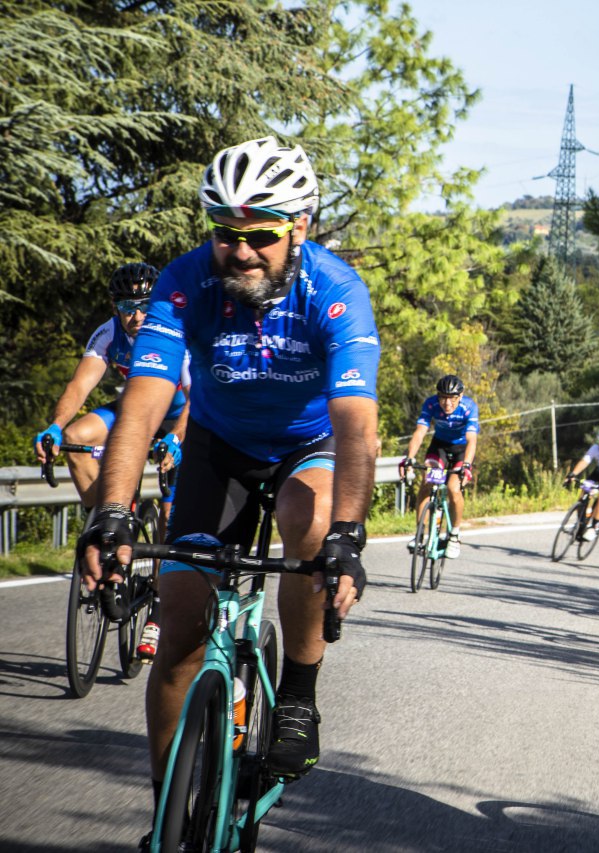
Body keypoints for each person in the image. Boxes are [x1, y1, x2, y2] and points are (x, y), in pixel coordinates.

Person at [77, 136, 380, 839]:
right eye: (226, 234)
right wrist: (113, 513)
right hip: (219, 446)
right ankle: (168, 814)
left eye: (261, 236)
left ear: (300, 226)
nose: (241, 252)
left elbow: (357, 425)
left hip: (307, 445)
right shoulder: (185, 283)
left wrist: (348, 535)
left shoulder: (335, 292)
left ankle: (299, 693)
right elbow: (144, 404)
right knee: (181, 621)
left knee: (310, 521)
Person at [33, 263, 191, 529]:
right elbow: (79, 386)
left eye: (146, 305)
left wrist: (175, 436)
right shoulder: (108, 333)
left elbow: (195, 398)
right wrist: (55, 426)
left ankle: (158, 570)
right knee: (76, 436)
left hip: (179, 416)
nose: (138, 316)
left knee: (168, 518)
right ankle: (105, 523)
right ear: (115, 308)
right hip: (137, 410)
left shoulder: (175, 331)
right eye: (128, 308)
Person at [402, 374, 478, 559]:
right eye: (443, 397)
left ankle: (454, 536)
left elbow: (472, 439)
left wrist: (466, 465)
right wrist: (409, 458)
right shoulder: (431, 404)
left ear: (460, 397)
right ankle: (420, 535)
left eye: (451, 398)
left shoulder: (469, 408)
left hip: (461, 450)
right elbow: (420, 432)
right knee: (427, 483)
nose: (447, 403)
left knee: (453, 488)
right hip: (440, 447)